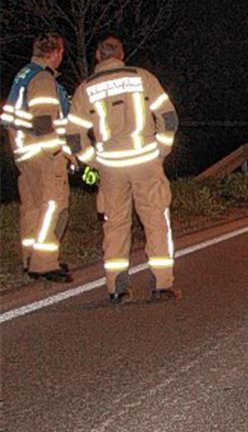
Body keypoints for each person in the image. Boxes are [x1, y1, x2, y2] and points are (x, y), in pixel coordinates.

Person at [66, 34, 179, 303]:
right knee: (156, 222)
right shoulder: (142, 77)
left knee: (115, 226)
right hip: (145, 162)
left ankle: (117, 289)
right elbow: (169, 118)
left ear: (97, 55)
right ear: (121, 54)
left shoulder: (86, 88)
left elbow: (73, 135)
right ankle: (162, 286)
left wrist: (93, 160)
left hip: (111, 168)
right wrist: (160, 151)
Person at [1, 32, 73, 283]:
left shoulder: (23, 75)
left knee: (32, 208)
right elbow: (44, 121)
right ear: (55, 52)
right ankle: (45, 263)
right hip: (44, 153)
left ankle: (30, 259)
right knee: (55, 206)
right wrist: (60, 153)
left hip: (24, 152)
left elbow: (11, 119)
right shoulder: (42, 79)